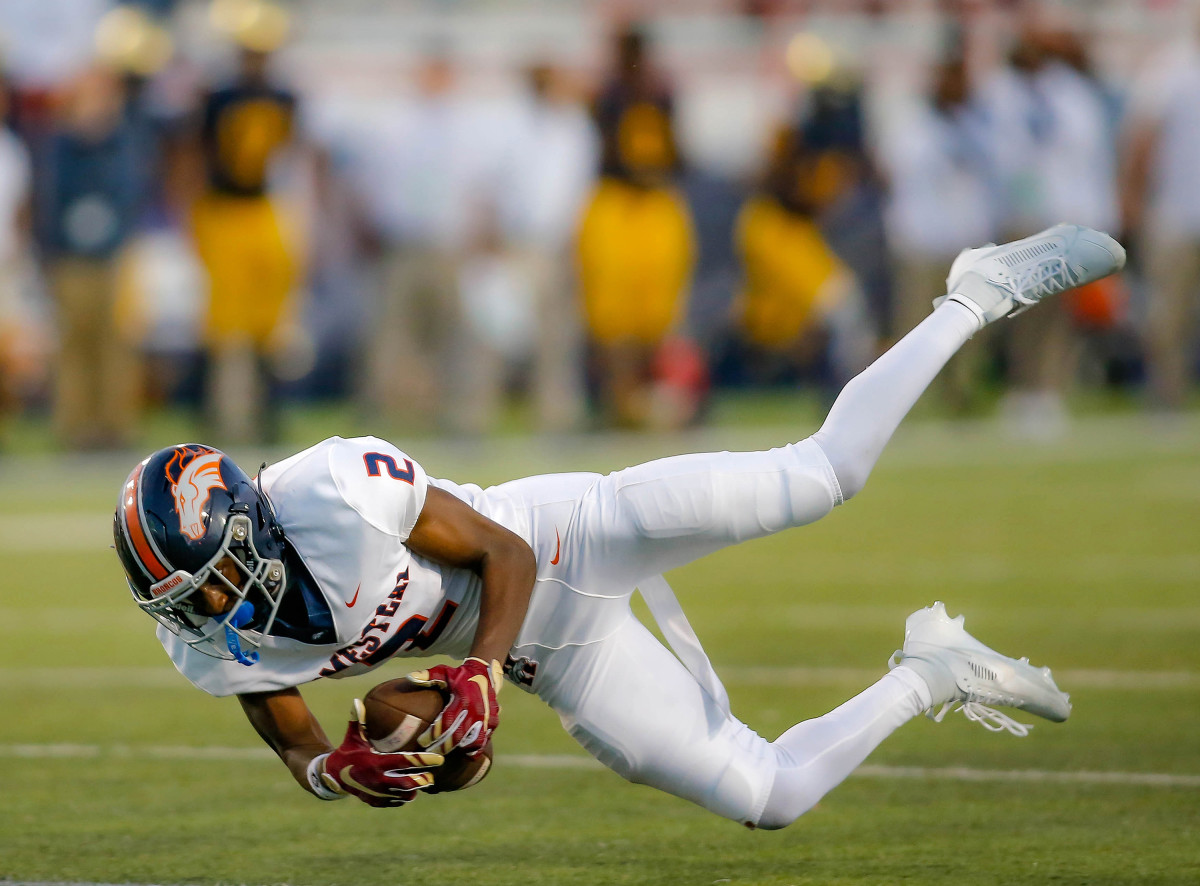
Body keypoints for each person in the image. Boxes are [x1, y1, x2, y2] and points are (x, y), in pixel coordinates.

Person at [112, 224, 1124, 828]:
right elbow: (278, 713)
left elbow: (501, 552)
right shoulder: (205, 637)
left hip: (566, 538)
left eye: (209, 577)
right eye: (184, 599)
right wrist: (333, 768)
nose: (210, 607)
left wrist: (469, 673)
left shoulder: (330, 491)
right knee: (768, 796)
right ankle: (933, 669)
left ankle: (972, 294)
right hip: (551, 652)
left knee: (823, 474)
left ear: (247, 523)